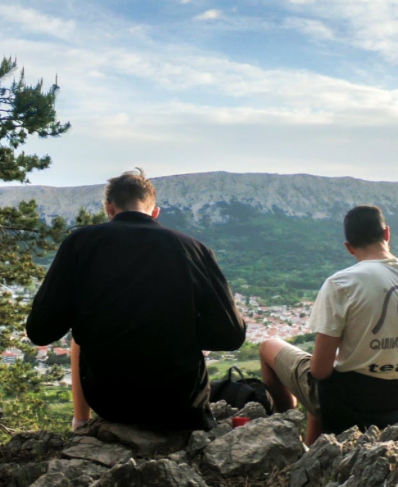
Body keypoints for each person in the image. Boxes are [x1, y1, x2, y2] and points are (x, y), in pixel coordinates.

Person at [25, 169, 246, 431]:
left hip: (110, 401)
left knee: (79, 338)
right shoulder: (194, 249)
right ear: (155, 212)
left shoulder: (80, 244)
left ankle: (80, 421)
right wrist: (181, 329)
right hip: (180, 402)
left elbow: (39, 331)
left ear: (109, 208)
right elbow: (231, 336)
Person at [259, 205, 398, 445]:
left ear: (348, 247)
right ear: (387, 234)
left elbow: (320, 371)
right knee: (328, 373)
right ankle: (313, 451)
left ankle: (283, 437)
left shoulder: (342, 283)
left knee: (269, 345)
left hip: (349, 402)